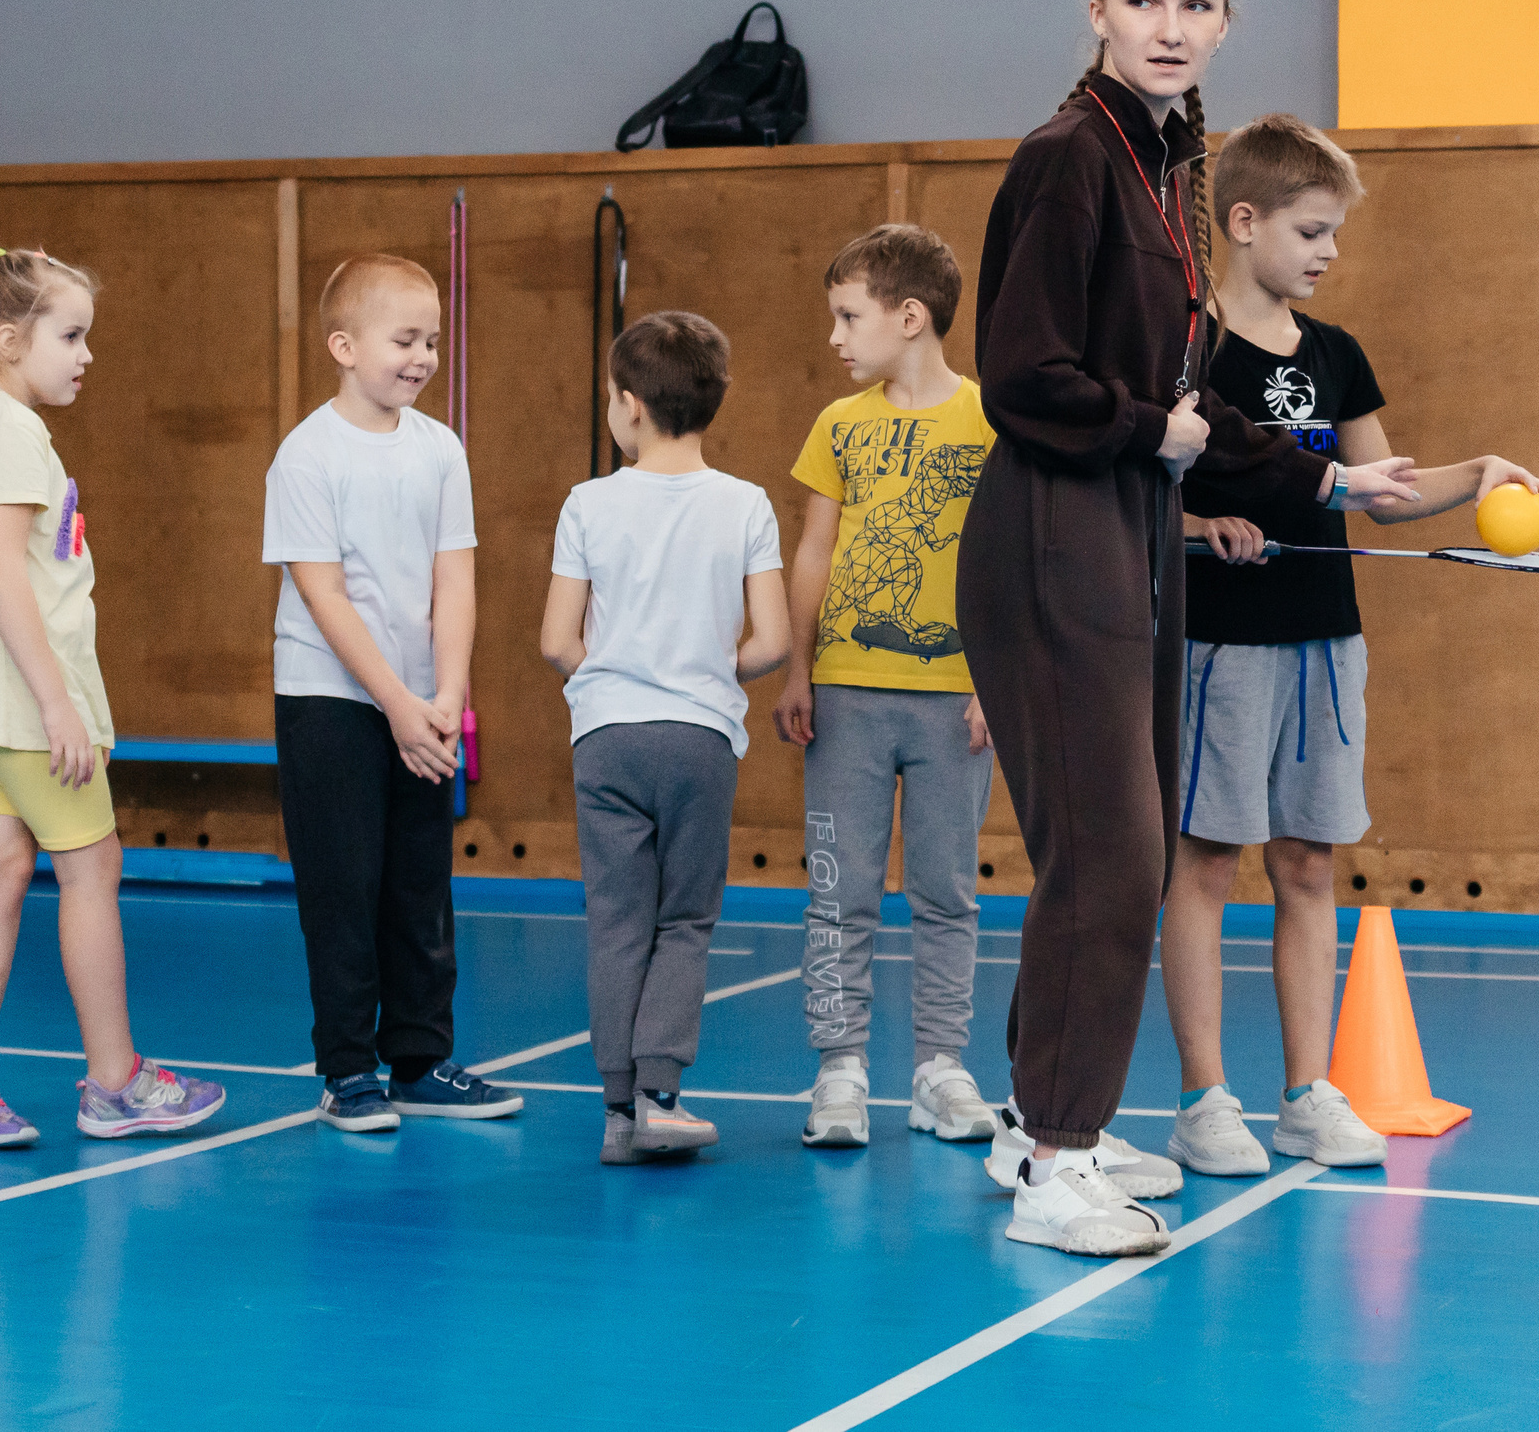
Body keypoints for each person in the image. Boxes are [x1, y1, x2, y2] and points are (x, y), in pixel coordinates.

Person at [955, 0, 1424, 1256]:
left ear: (1224, 19)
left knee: (1107, 848)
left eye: (1195, 4)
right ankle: (1055, 1156)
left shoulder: (1170, 162)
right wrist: (1140, 429)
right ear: (1095, 11)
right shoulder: (1068, 159)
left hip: (1128, 525)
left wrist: (1325, 479)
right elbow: (1028, 373)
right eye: (1144, 0)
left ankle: (1039, 1121)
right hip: (1055, 522)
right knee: (1110, 849)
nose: (1170, 26)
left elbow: (1197, 396)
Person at [1163, 115, 1539, 1174]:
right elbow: (1125, 499)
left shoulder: (1336, 356)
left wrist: (1475, 474)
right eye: (1309, 230)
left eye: (1333, 232)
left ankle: (1305, 1093)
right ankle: (1204, 1100)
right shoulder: (1184, 347)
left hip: (1327, 643)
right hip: (1219, 648)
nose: (1328, 251)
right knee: (1204, 868)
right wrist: (1199, 530)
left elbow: (1380, 496)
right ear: (1242, 224)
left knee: (1307, 864)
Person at [0, 230, 225, 1147]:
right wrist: (55, 701)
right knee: (92, 865)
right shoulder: (4, 426)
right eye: (70, 336)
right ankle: (115, 1080)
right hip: (17, 704)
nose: (87, 354)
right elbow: (3, 574)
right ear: (9, 341)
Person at [264, 253, 523, 1132]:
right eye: (403, 339)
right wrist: (395, 701)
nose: (421, 356)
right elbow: (323, 594)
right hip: (330, 701)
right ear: (343, 345)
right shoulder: (306, 456)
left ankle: (419, 1056)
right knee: (343, 888)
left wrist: (445, 691)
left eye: (432, 341)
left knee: (420, 884)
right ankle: (346, 1069)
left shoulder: (439, 447)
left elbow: (457, 576)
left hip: (422, 705)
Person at [771, 224, 1006, 1151]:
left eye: (847, 315)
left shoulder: (990, 424)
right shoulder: (840, 423)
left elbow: (1007, 563)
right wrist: (799, 665)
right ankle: (839, 1069)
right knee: (841, 891)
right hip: (848, 695)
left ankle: (940, 1067)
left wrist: (998, 680)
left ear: (910, 317)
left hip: (955, 699)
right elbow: (815, 551)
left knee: (948, 889)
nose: (835, 336)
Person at [544, 312, 788, 1164]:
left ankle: (617, 1112)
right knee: (683, 921)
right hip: (698, 738)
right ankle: (660, 1096)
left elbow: (554, 640)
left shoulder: (588, 501)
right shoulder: (746, 503)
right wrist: (708, 669)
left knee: (616, 919)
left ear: (628, 405)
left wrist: (608, 676)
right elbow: (773, 641)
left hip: (606, 735)